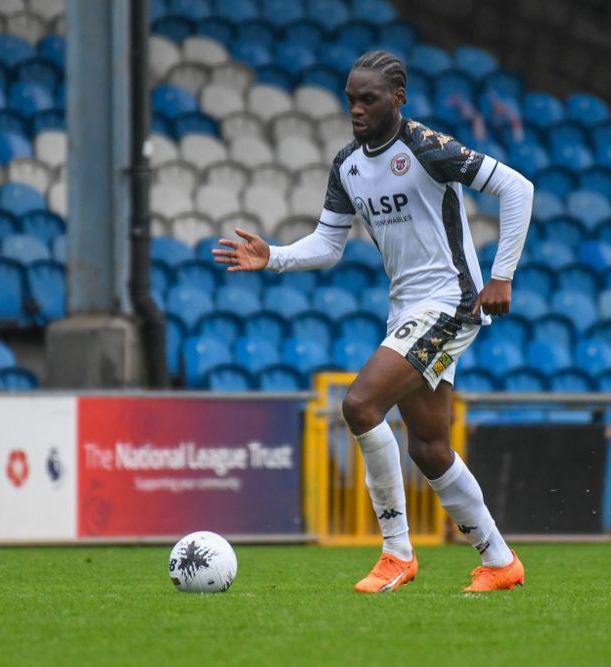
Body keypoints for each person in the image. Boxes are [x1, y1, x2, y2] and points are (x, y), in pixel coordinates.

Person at [213, 50, 533, 592]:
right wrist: (276, 257)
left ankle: (396, 552)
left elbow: (516, 188)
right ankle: (500, 562)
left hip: (451, 302)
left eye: (369, 99)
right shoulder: (348, 164)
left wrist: (500, 276)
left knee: (360, 404)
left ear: (397, 99)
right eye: (350, 100)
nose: (357, 110)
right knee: (429, 446)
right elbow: (328, 244)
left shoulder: (427, 148)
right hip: (406, 310)